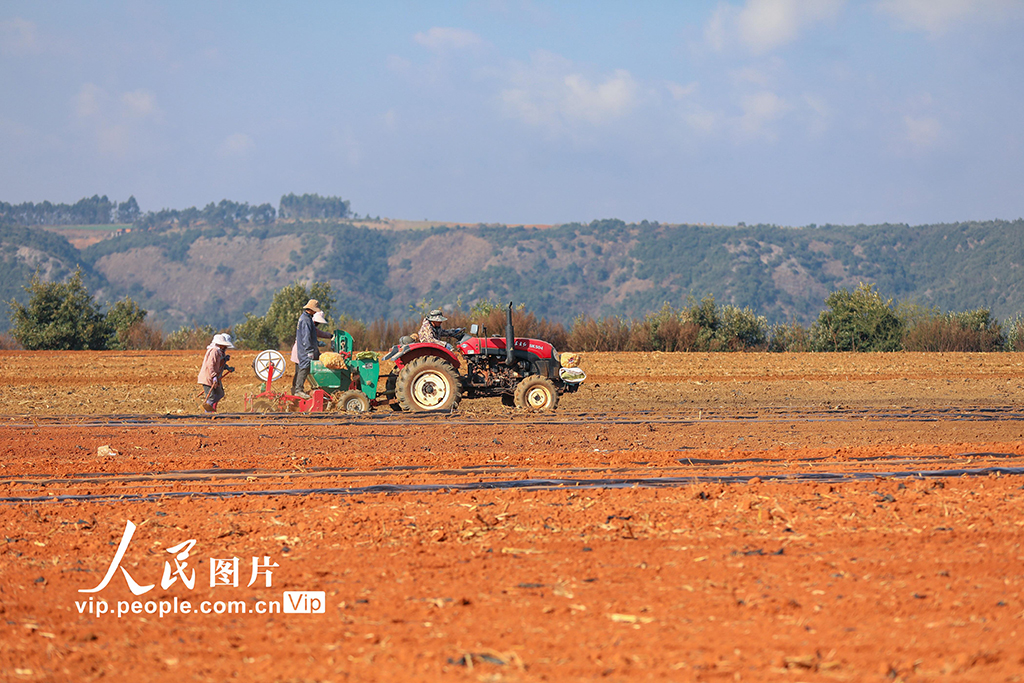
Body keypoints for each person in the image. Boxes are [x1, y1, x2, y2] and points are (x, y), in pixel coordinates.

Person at [292, 299, 323, 399]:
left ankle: (306, 388)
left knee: (306, 368)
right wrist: (309, 350)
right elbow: (306, 337)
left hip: (305, 348)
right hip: (305, 350)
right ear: (311, 309)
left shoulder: (306, 318)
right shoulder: (306, 320)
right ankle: (298, 390)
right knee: (304, 368)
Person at [197, 333, 235, 413]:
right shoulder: (214, 351)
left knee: (220, 393)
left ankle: (210, 408)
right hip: (208, 377)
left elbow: (219, 364)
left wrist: (226, 365)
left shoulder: (219, 352)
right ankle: (207, 413)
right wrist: (214, 376)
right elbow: (210, 365)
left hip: (214, 377)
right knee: (211, 397)